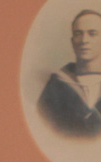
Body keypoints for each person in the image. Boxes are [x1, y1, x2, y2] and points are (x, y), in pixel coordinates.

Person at [37, 8, 101, 138]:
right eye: (78, 34)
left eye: (92, 34)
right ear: (72, 42)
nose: (84, 40)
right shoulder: (56, 86)